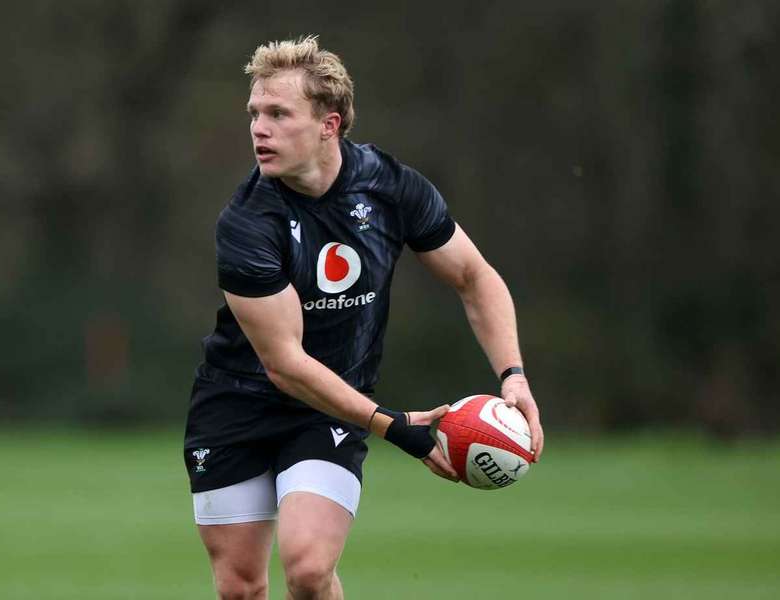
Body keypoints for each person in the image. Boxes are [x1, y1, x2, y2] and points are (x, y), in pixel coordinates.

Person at [183, 35, 544, 600]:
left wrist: (513, 376)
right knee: (240, 588)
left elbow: (476, 278)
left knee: (306, 569)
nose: (259, 127)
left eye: (279, 113)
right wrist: (395, 427)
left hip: (326, 410)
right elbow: (285, 364)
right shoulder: (248, 223)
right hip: (236, 403)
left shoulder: (390, 187)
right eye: (255, 113)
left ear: (329, 124)